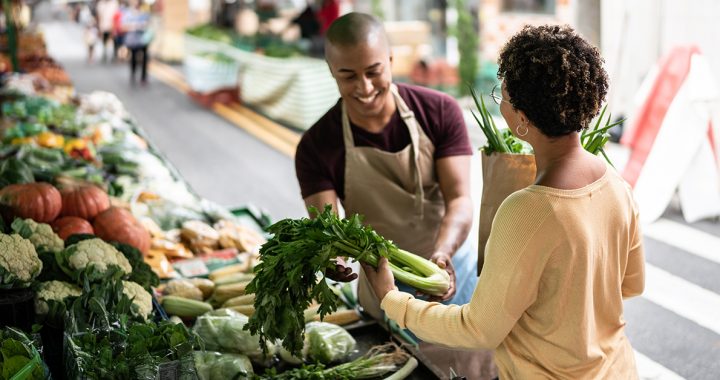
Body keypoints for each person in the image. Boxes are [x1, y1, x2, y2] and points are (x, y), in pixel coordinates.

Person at [363, 24, 646, 379]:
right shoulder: (617, 186)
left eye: (504, 96)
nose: (502, 103)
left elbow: (479, 328)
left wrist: (392, 300)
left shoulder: (527, 211)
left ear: (523, 120)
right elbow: (632, 285)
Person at [294, 12, 478, 321]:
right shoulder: (316, 145)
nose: (364, 87)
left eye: (373, 72)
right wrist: (331, 256)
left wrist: (442, 254)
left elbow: (459, 199)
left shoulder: (439, 111)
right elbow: (329, 229)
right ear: (331, 72)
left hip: (451, 271)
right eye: (348, 76)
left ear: (391, 60)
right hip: (381, 287)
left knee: (466, 361)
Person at [122, 0, 150, 84]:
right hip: (132, 40)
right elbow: (123, 26)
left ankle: (143, 77)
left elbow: (147, 25)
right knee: (133, 58)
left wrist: (142, 26)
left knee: (145, 58)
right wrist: (135, 26)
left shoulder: (144, 13)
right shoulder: (128, 13)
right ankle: (133, 74)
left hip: (142, 40)